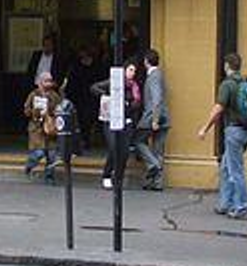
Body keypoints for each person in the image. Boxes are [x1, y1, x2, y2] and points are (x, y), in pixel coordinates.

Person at [196, 53, 247, 220]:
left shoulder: (227, 85)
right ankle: (225, 203)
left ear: (227, 65)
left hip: (234, 131)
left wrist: (205, 128)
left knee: (236, 170)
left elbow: (218, 109)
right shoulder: (246, 82)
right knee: (226, 167)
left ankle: (242, 207)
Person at [92, 59, 143, 190]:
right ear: (124, 70)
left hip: (126, 121)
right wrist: (107, 96)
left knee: (124, 151)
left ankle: (118, 176)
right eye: (130, 70)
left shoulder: (134, 86)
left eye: (134, 71)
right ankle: (107, 175)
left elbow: (136, 104)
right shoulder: (114, 83)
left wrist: (132, 105)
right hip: (110, 120)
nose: (132, 73)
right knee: (113, 147)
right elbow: (94, 87)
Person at [136, 49, 170, 191]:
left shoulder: (154, 76)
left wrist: (155, 119)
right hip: (164, 117)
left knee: (138, 141)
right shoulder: (160, 75)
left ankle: (153, 165)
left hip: (153, 117)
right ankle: (156, 182)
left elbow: (156, 100)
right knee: (158, 149)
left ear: (146, 61)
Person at [63, 46, 105, 151]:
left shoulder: (98, 67)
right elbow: (70, 84)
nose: (84, 58)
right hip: (78, 98)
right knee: (80, 120)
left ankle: (87, 140)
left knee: (90, 120)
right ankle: (82, 141)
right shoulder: (75, 67)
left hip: (93, 98)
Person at [23, 72, 62, 184]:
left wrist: (53, 113)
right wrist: (34, 112)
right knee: (39, 152)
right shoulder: (33, 94)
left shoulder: (54, 95)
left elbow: (60, 109)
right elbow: (26, 110)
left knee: (52, 154)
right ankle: (30, 165)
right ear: (40, 82)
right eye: (46, 80)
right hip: (36, 128)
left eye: (50, 80)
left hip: (50, 127)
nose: (49, 83)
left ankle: (49, 176)